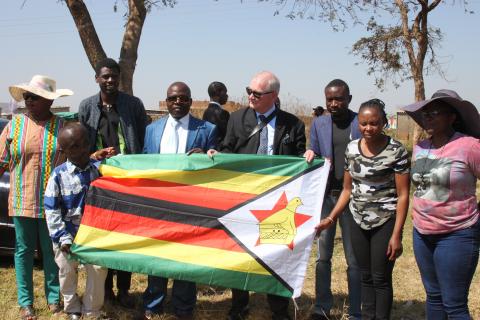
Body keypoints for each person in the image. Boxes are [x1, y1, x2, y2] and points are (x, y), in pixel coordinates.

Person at [212, 71, 305, 320]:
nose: (251, 96)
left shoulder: (293, 124)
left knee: (277, 254)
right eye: (249, 91)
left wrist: (308, 157)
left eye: (257, 93)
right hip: (243, 200)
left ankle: (278, 309)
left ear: (273, 95)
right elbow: (227, 150)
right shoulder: (235, 119)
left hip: (277, 202)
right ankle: (239, 306)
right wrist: (215, 154)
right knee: (240, 253)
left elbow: (299, 157)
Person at [316, 99, 410, 320]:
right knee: (364, 276)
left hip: (385, 221)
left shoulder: (396, 151)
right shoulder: (351, 149)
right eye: (363, 123)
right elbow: (347, 190)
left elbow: (404, 194)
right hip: (357, 220)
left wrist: (397, 234)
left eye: (374, 123)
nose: (368, 128)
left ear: (384, 122)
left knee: (381, 278)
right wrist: (330, 218)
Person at [402, 89, 480, 319]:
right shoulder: (420, 147)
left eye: (434, 113)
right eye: (425, 114)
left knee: (454, 304)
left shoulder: (469, 146)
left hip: (457, 234)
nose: (428, 118)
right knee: (434, 297)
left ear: (452, 117)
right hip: (422, 233)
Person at [142, 81, 217, 320]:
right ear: (166, 101)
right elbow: (144, 163)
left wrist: (207, 157)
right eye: (173, 98)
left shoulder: (207, 129)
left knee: (186, 257)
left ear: (190, 101)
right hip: (159, 204)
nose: (177, 102)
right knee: (157, 254)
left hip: (190, 205)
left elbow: (217, 166)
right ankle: (153, 304)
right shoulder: (152, 130)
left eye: (183, 98)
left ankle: (184, 307)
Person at [0, 75, 73, 320]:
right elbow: (1, 160)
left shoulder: (62, 128)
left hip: (52, 203)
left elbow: (75, 159)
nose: (28, 101)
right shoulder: (14, 125)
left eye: (34, 97)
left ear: (49, 101)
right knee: (23, 251)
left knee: (52, 251)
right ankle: (26, 303)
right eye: (26, 97)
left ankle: (54, 299)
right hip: (22, 199)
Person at [78, 57, 147, 307]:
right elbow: (81, 144)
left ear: (120, 78)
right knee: (103, 237)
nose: (110, 80)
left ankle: (125, 290)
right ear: (97, 79)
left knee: (126, 237)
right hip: (98, 182)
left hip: (128, 182)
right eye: (105, 76)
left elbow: (142, 139)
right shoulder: (86, 106)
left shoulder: (133, 105)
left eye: (114, 76)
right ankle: (105, 290)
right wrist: (92, 156)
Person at [304, 79, 361, 320]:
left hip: (354, 198)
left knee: (353, 258)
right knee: (323, 256)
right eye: (330, 99)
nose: (334, 103)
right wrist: (310, 152)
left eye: (339, 98)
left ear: (349, 98)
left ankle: (357, 309)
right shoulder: (319, 123)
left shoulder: (361, 121)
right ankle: (322, 307)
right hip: (326, 196)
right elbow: (314, 150)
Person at [44, 123, 108, 320]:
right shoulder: (58, 175)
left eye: (85, 143)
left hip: (93, 235)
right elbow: (51, 209)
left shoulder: (99, 171)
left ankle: (91, 309)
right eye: (75, 146)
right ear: (63, 151)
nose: (82, 149)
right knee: (67, 272)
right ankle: (72, 308)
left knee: (97, 272)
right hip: (66, 235)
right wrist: (62, 238)